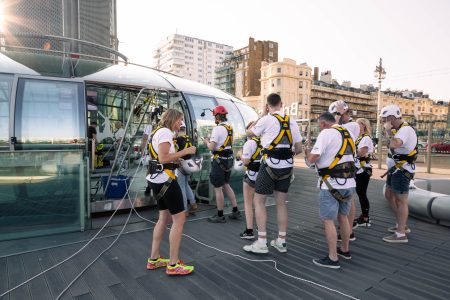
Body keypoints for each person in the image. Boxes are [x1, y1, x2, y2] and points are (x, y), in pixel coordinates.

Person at [243, 93, 302, 254]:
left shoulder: (266, 119)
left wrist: (262, 114)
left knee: (259, 201)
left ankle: (262, 241)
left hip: (269, 165)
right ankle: (281, 241)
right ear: (282, 104)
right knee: (281, 203)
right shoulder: (292, 121)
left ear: (268, 105)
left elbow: (249, 133)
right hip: (287, 167)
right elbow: (299, 149)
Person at [146, 109, 196, 275]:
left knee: (163, 218)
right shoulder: (166, 132)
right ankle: (173, 265)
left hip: (156, 180)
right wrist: (185, 152)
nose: (181, 123)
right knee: (179, 220)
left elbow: (160, 157)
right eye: (179, 120)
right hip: (166, 181)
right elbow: (163, 158)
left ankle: (154, 259)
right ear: (172, 119)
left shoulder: (156, 132)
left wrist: (177, 157)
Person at [305, 112, 356, 269]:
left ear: (322, 124)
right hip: (349, 183)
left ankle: (333, 258)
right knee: (344, 217)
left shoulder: (326, 133)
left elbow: (313, 159)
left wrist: (307, 154)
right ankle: (345, 250)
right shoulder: (348, 133)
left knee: (328, 220)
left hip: (331, 184)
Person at [380, 104, 417, 243]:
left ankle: (401, 234)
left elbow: (394, 144)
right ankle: (402, 225)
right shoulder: (400, 129)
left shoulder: (405, 130)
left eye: (385, 120)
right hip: (396, 169)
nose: (384, 123)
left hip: (402, 171)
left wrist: (388, 132)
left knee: (401, 201)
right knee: (389, 194)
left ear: (391, 118)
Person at [328, 100, 360, 241]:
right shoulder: (344, 126)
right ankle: (346, 228)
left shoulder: (352, 126)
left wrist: (337, 114)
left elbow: (332, 129)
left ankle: (349, 230)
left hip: (348, 167)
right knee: (347, 199)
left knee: (349, 200)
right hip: (344, 166)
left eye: (337, 114)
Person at [203, 105, 241, 223]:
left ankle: (220, 215)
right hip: (228, 159)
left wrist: (206, 141)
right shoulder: (229, 127)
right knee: (226, 184)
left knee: (218, 188)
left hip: (219, 160)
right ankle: (235, 211)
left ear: (216, 116)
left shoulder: (218, 128)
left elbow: (212, 147)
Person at [239, 121, 263, 239]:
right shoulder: (265, 142)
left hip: (251, 176)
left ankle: (249, 231)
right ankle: (261, 228)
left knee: (248, 203)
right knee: (260, 204)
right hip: (263, 175)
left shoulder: (249, 144)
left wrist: (240, 155)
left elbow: (246, 161)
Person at [174, 121, 197, 217]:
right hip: (190, 165)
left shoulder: (177, 140)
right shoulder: (189, 139)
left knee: (181, 187)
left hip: (181, 165)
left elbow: (174, 154)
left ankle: (184, 210)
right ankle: (193, 203)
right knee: (186, 185)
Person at [354, 118, 374, 227]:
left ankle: (365, 218)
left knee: (361, 193)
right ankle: (364, 215)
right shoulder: (359, 138)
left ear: (363, 126)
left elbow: (361, 153)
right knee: (360, 192)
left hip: (363, 169)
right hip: (359, 169)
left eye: (358, 125)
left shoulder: (365, 139)